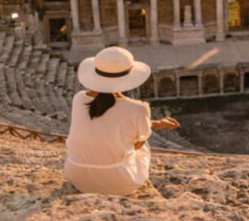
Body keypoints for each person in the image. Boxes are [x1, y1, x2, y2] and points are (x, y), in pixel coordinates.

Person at [64, 46, 179, 195]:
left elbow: (107, 121)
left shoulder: (79, 98)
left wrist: (156, 123)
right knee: (142, 142)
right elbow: (137, 144)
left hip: (77, 177)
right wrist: (149, 124)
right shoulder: (138, 108)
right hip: (119, 182)